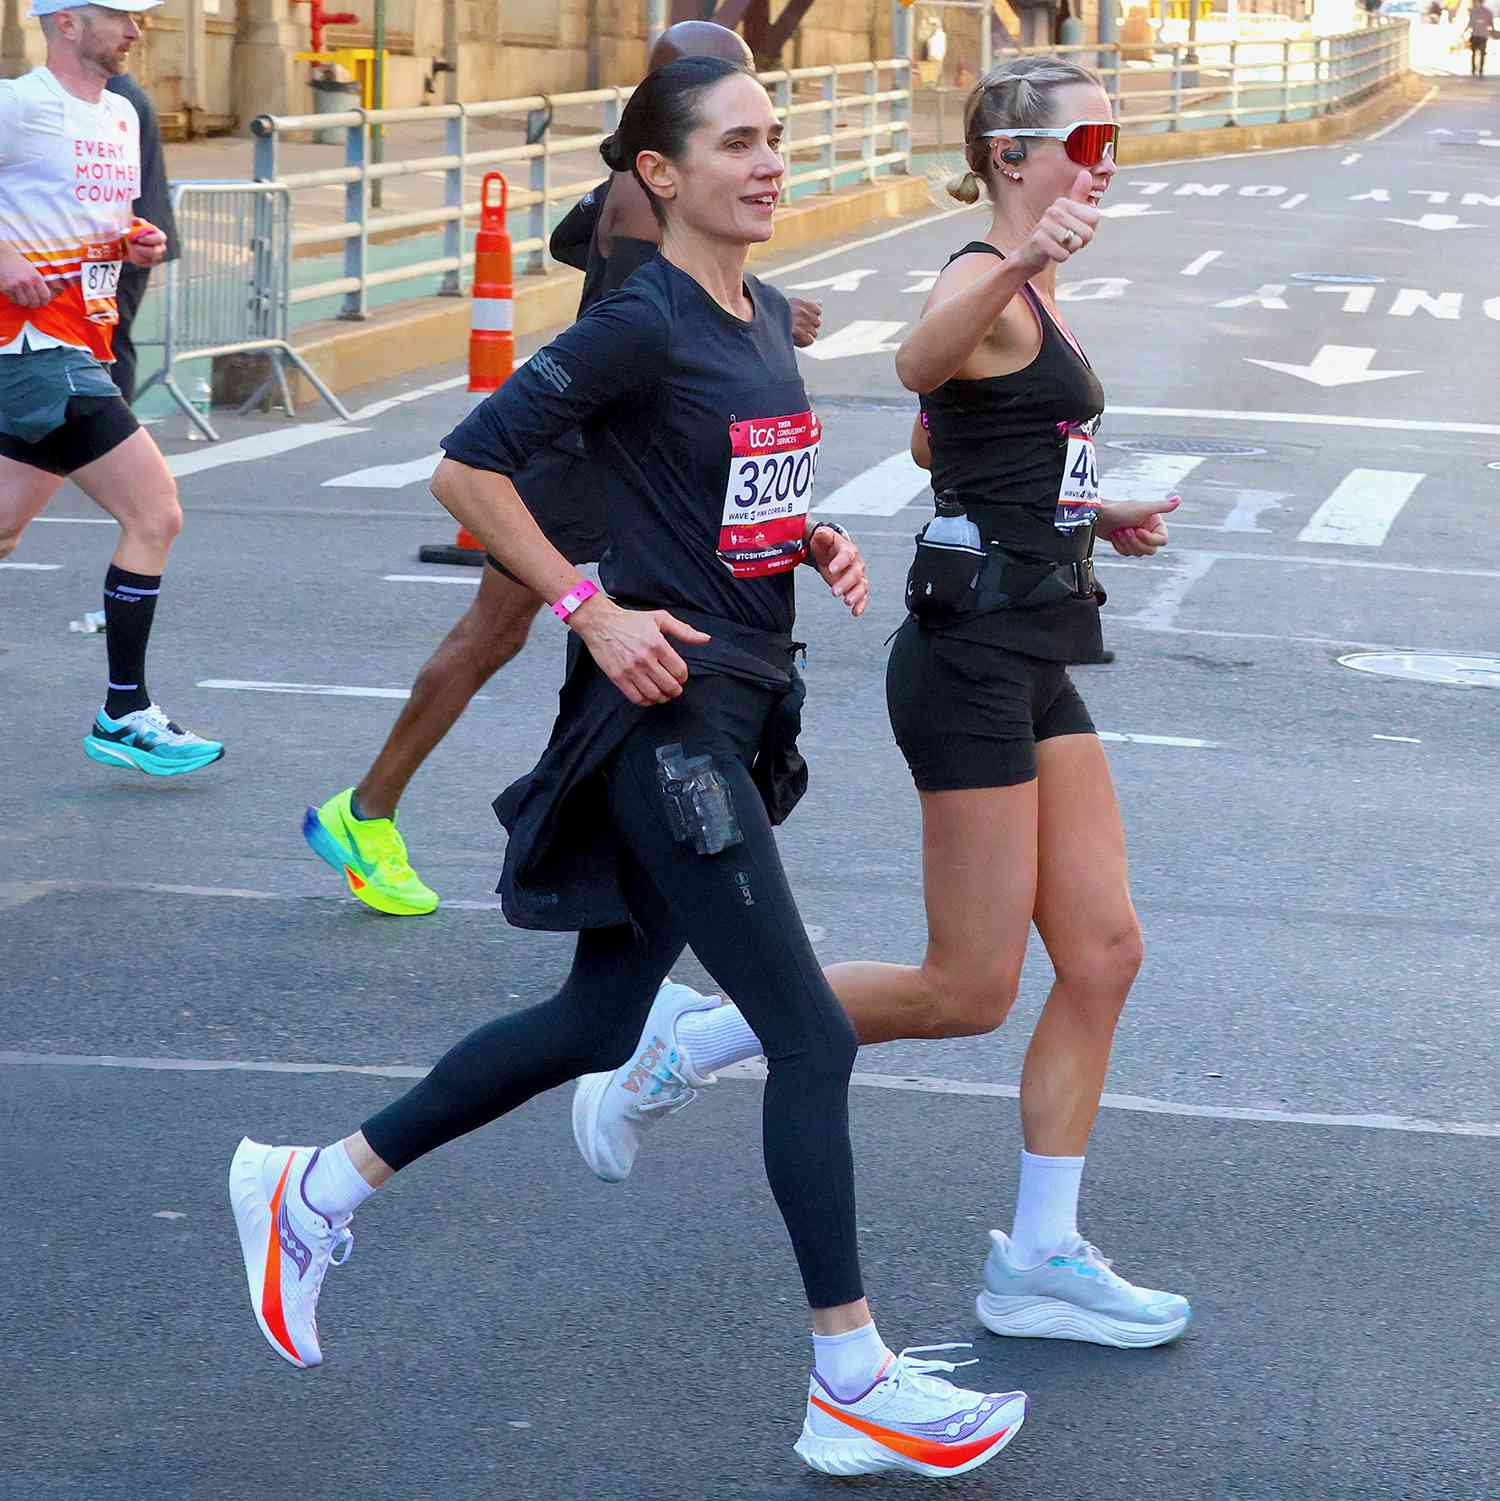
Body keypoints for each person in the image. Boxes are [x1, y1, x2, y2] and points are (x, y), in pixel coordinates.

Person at [231, 57, 1027, 1480]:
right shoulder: (641, 317)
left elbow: (715, 495)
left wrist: (800, 540)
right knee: (811, 1032)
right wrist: (586, 608)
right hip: (666, 732)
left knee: (601, 1024)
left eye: (774, 140)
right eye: (737, 144)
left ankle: (313, 1182)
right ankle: (849, 1372)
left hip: (734, 708)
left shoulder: (763, 315)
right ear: (661, 174)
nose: (769, 162)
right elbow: (467, 470)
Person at [573, 55, 1191, 1354]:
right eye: (1086, 138)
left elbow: (938, 436)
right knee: (969, 985)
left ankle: (1039, 1255)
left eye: (1112, 138)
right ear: (1012, 155)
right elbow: (922, 359)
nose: (1105, 161)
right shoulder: (987, 273)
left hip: (1030, 642)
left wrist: (1089, 507)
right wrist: (1022, 269)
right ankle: (701, 1036)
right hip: (968, 663)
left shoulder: (1029, 289)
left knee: (1105, 949)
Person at [302, 19, 822, 917]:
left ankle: (638, 847)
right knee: (518, 633)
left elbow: (571, 248)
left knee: (614, 635)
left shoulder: (633, 190)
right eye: (721, 103)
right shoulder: (643, 199)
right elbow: (635, 324)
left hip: (626, 442)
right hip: (589, 452)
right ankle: (374, 809)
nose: (746, 124)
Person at [0, 0, 222, 777]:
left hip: (81, 342)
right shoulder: (19, 105)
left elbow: (103, 220)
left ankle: (125, 712)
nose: (137, 29)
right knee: (154, 513)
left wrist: (136, 241)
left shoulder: (122, 116)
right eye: (119, 16)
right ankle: (124, 712)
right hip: (32, 346)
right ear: (65, 23)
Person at [104, 67, 178, 406]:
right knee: (110, 341)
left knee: (111, 343)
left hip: (126, 241)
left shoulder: (116, 98)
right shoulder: (121, 93)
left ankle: (117, 434)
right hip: (131, 237)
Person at [1467, 0, 1493, 72]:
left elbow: (1470, 24)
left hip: (1475, 35)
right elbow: (1490, 24)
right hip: (1483, 36)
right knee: (1482, 53)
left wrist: (1465, 30)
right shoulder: (1488, 12)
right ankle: (1481, 68)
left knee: (1473, 53)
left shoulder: (1474, 11)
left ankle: (1473, 68)